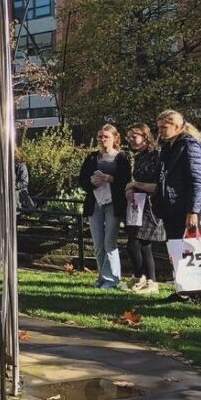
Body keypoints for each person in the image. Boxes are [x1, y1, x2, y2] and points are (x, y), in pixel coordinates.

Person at [152, 110, 201, 301]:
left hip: (186, 206)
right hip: (172, 206)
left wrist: (193, 210)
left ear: (177, 126)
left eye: (165, 126)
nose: (161, 131)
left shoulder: (189, 145)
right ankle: (184, 291)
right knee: (177, 249)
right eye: (159, 127)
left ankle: (199, 292)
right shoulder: (170, 146)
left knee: (191, 249)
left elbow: (197, 180)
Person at [78, 124, 131, 289]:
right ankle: (102, 277)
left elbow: (126, 181)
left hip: (113, 204)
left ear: (115, 138)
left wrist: (111, 179)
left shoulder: (122, 158)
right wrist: (91, 182)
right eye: (100, 136)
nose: (102, 139)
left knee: (110, 242)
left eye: (106, 136)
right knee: (98, 244)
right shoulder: (92, 158)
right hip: (95, 203)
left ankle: (112, 279)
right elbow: (82, 181)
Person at [123, 124, 164, 295]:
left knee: (136, 243)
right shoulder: (139, 156)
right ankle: (144, 278)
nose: (130, 140)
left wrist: (135, 185)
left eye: (134, 136)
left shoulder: (157, 155)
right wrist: (130, 189)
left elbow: (159, 185)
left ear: (145, 135)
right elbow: (136, 181)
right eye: (128, 137)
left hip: (152, 205)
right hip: (138, 203)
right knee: (141, 245)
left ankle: (148, 279)